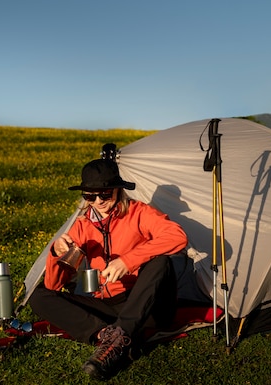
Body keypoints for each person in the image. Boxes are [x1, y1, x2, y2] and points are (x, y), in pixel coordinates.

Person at [29, 156, 188, 380]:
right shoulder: (83, 225)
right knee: (39, 296)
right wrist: (56, 254)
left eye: (105, 193)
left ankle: (118, 338)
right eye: (90, 195)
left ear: (118, 190)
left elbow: (178, 236)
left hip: (148, 306)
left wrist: (128, 260)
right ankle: (107, 336)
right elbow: (54, 285)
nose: (98, 200)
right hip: (108, 305)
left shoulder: (139, 212)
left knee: (161, 262)